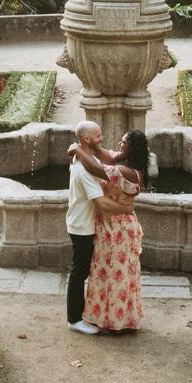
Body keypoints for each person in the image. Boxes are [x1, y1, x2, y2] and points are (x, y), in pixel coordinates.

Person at [76, 129, 151, 333]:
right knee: (110, 271)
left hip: (118, 227)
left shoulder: (128, 172)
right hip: (113, 224)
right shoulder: (127, 163)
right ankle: (114, 318)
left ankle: (116, 321)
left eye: (124, 141)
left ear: (131, 147)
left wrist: (76, 149)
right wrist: (91, 141)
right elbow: (103, 154)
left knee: (116, 273)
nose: (120, 143)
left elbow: (95, 167)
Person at [65, 121, 130, 334]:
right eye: (98, 135)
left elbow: (107, 158)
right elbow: (101, 203)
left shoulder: (87, 157)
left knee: (81, 271)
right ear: (86, 139)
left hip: (83, 222)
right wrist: (126, 208)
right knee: (79, 272)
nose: (101, 139)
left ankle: (82, 315)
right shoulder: (84, 169)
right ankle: (74, 320)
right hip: (82, 226)